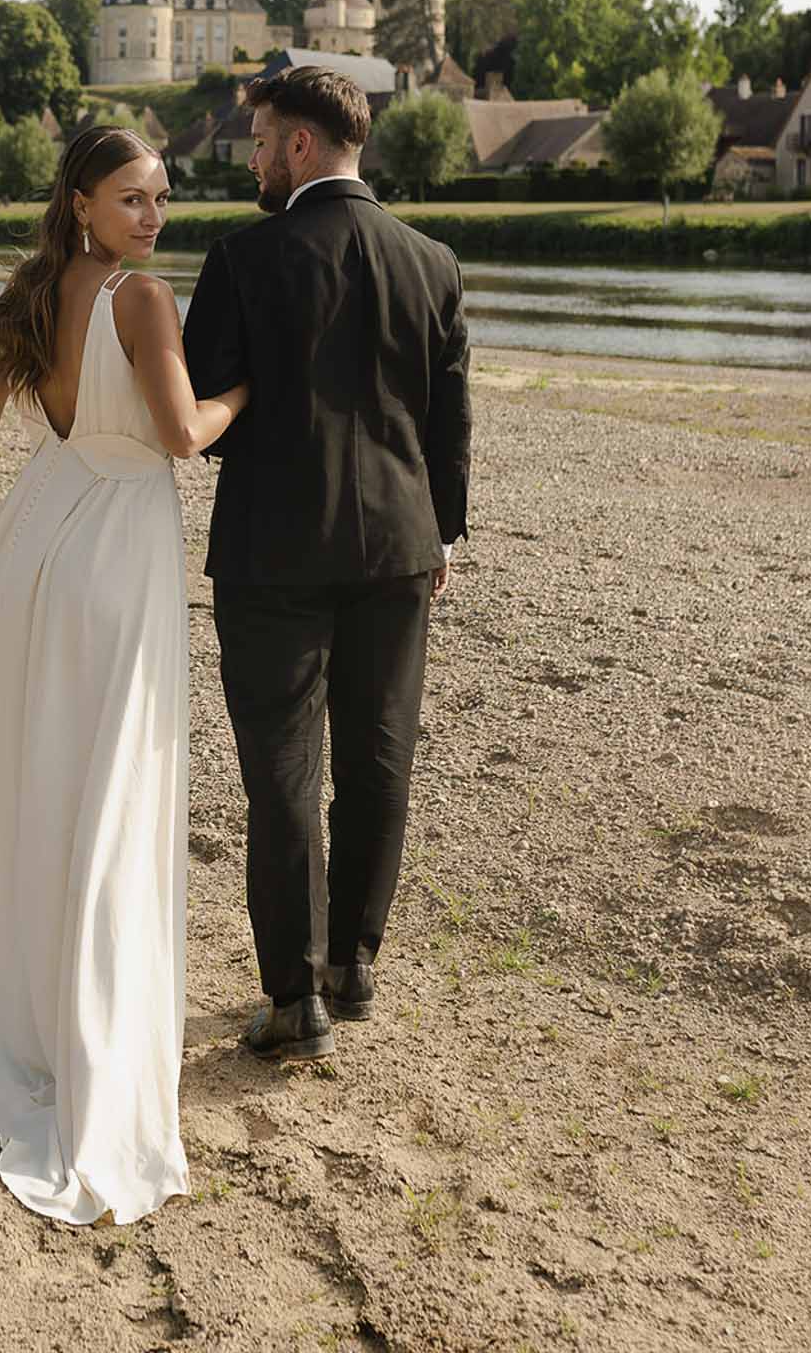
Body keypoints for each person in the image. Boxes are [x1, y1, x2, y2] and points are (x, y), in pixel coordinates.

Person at [0, 126, 249, 1225]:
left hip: (40, 532)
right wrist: (242, 394)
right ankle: (81, 1030)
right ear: (82, 201)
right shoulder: (140, 299)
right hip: (116, 551)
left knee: (44, 774)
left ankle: (25, 1007)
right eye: (132, 198)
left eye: (161, 198)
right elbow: (178, 437)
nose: (151, 216)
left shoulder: (25, 298)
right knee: (108, 786)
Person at [182, 66, 472, 1062]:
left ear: (301, 145)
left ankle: (291, 996)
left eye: (261, 140)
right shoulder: (431, 261)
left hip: (272, 552)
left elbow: (203, 417)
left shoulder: (243, 256)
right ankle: (354, 966)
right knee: (380, 755)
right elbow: (448, 419)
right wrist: (445, 531)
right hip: (398, 545)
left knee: (283, 773)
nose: (254, 157)